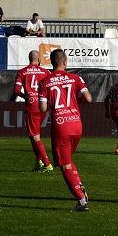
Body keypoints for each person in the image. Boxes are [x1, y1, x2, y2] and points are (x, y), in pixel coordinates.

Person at [39, 49, 92, 211]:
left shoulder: (45, 81)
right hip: (77, 124)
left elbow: (42, 108)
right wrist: (74, 103)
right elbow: (88, 99)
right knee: (68, 160)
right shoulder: (75, 78)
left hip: (61, 126)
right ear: (65, 62)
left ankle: (82, 201)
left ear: (52, 63)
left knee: (65, 165)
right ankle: (79, 185)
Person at [13, 50, 53, 171]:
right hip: (43, 106)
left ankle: (47, 164)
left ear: (29, 59)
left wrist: (25, 96)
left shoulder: (22, 72)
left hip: (31, 106)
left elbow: (16, 90)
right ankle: (38, 162)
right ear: (39, 60)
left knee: (35, 136)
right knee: (33, 136)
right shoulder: (46, 72)